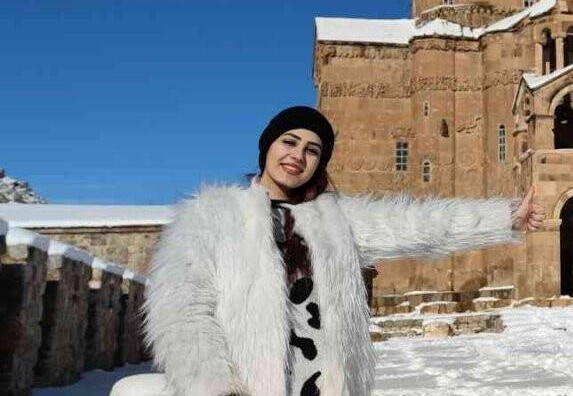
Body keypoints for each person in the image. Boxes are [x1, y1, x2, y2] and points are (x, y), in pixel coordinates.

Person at [120, 106, 543, 396]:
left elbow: (419, 224)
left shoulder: (334, 220)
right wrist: (213, 387)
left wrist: (505, 218)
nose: (297, 156)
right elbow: (179, 311)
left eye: (312, 150)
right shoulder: (211, 215)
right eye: (289, 142)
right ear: (267, 146)